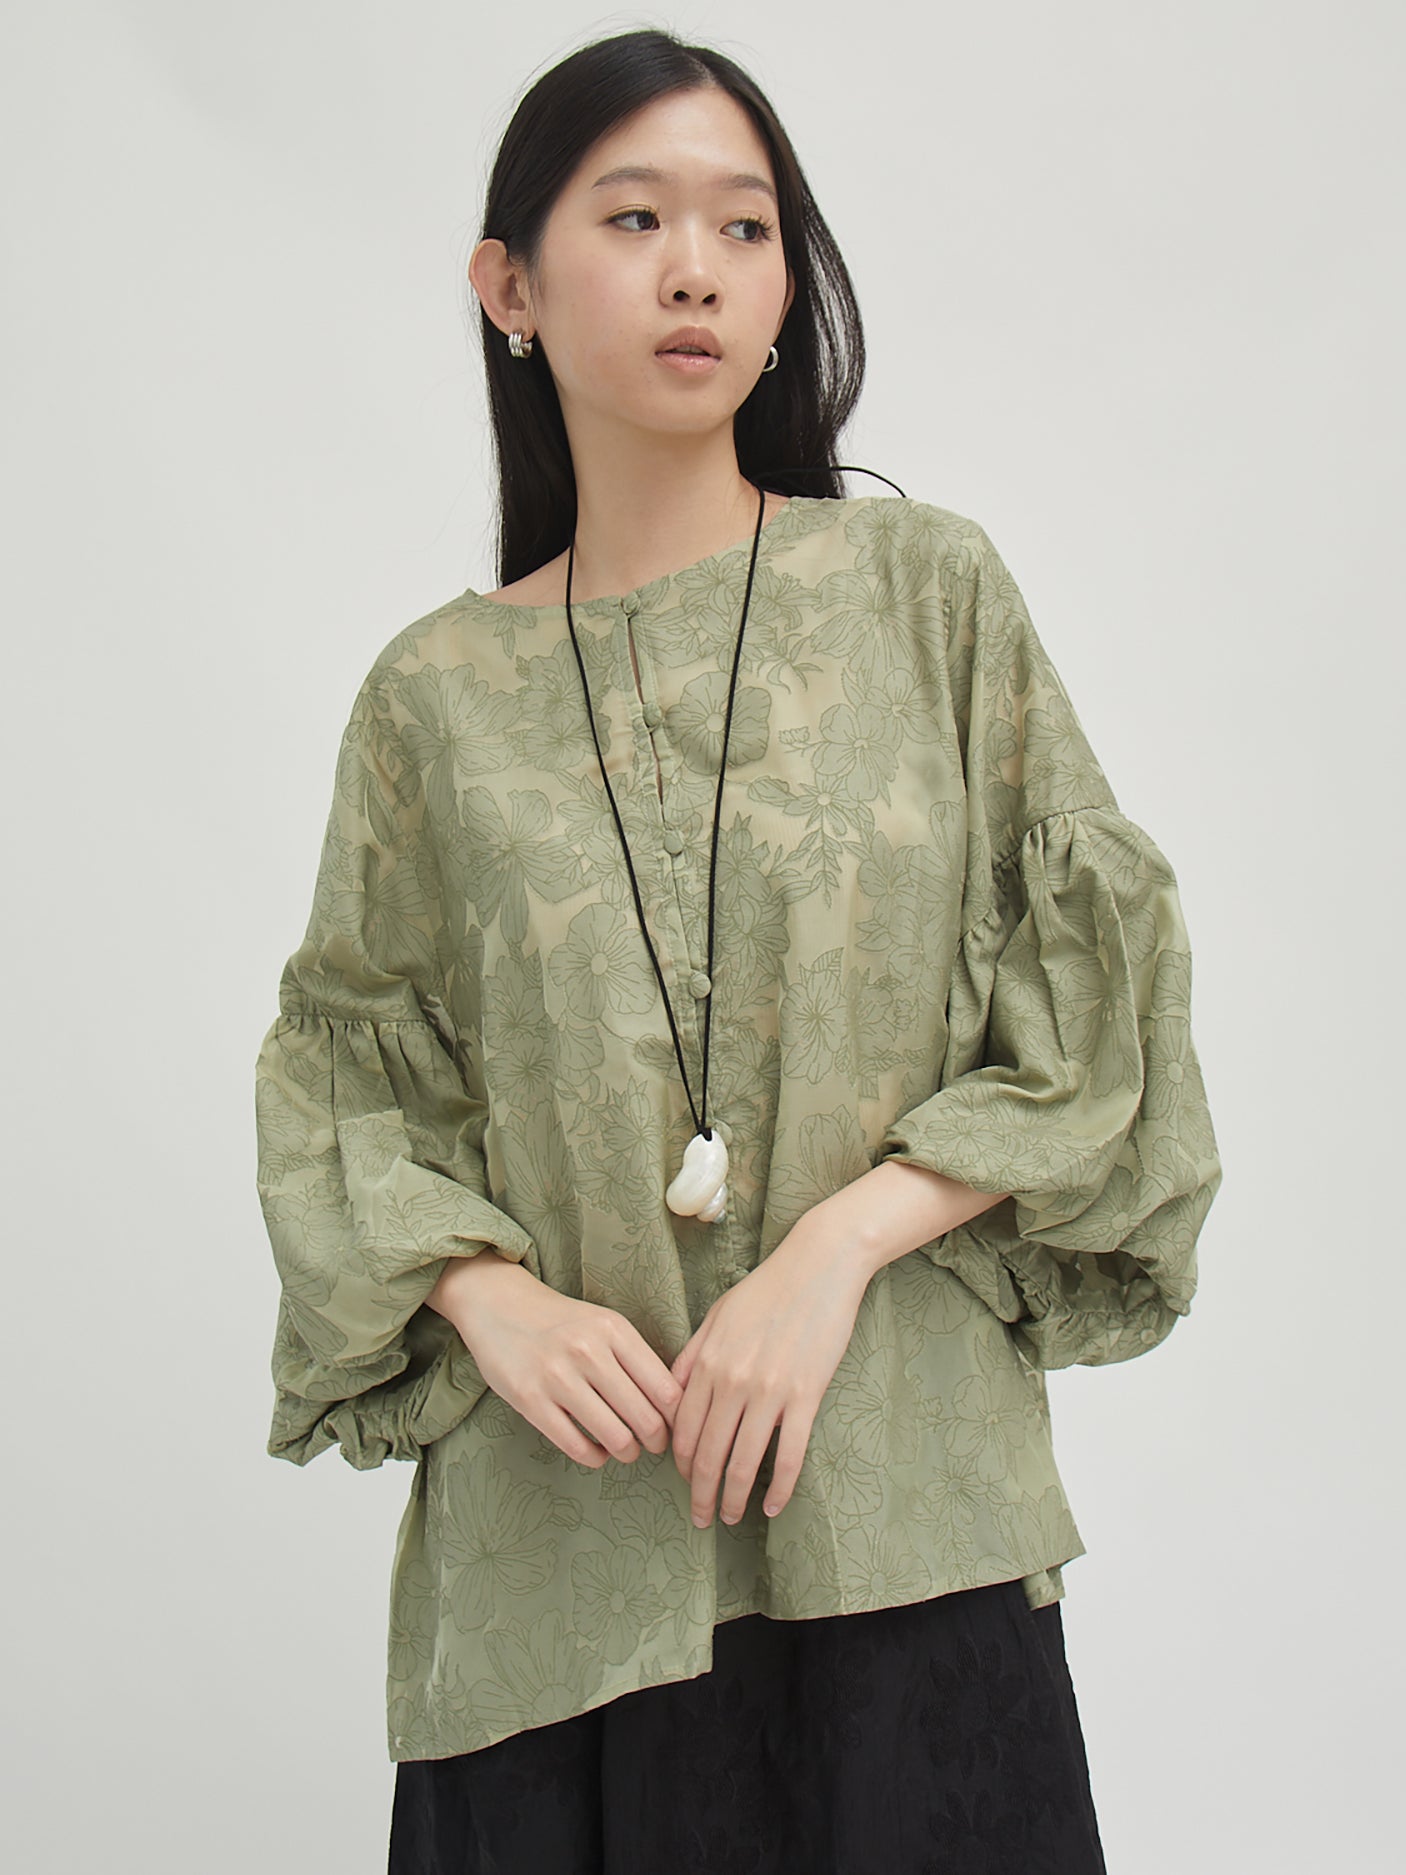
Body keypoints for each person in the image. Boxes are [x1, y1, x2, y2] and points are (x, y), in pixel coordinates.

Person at [253, 26, 1222, 1874]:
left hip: (901, 1514)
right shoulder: (431, 700)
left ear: (786, 286)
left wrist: (834, 1251)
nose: (696, 268)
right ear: (510, 289)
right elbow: (347, 1089)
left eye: (746, 226)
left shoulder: (927, 591)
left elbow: (1094, 1008)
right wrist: (489, 1298)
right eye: (634, 219)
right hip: (562, 1565)